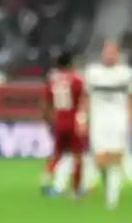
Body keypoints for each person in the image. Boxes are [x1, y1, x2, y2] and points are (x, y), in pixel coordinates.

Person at [83, 40, 132, 210]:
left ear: (118, 54)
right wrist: (83, 118)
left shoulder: (126, 73)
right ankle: (94, 183)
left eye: (113, 52)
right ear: (102, 54)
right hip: (98, 122)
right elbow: (85, 97)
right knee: (99, 158)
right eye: (107, 52)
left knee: (114, 159)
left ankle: (112, 199)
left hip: (118, 122)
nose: (109, 55)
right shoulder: (92, 72)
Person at [42, 51, 86, 197]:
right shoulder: (77, 79)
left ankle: (45, 179)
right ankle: (77, 189)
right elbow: (83, 100)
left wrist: (48, 121)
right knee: (78, 156)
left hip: (59, 122)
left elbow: (47, 104)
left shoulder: (52, 80)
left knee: (57, 154)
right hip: (74, 122)